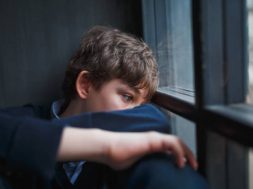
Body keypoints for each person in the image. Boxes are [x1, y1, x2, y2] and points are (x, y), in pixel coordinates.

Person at [0, 26, 208, 189]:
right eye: (127, 97)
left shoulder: (138, 129)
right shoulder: (26, 120)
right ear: (85, 85)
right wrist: (106, 145)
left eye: (141, 105)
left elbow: (153, 119)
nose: (133, 113)